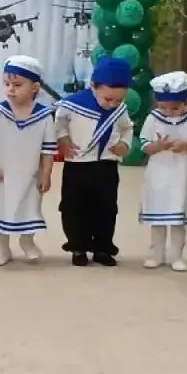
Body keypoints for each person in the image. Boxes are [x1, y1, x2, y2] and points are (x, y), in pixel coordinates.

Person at [0, 55, 57, 265]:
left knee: (30, 207)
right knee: (0, 208)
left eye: (17, 85)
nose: (10, 89)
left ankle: (27, 241)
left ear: (34, 87)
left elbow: (48, 150)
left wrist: (46, 174)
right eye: (7, 84)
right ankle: (2, 249)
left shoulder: (44, 116)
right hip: (3, 174)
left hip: (30, 174)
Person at [55, 56, 134, 266]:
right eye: (108, 99)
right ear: (93, 86)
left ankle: (103, 248)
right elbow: (59, 123)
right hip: (77, 165)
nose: (113, 104)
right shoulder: (72, 104)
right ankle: (78, 247)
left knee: (106, 208)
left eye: (118, 100)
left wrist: (124, 144)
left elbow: (127, 128)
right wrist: (63, 139)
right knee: (74, 207)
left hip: (106, 165)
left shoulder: (120, 110)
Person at [139, 71, 187, 271]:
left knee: (177, 219)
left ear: (185, 101)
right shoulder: (153, 118)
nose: (168, 112)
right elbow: (144, 145)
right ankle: (157, 254)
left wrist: (186, 145)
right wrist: (158, 146)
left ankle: (177, 256)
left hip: (180, 176)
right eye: (163, 107)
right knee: (157, 218)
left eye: (174, 108)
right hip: (157, 176)